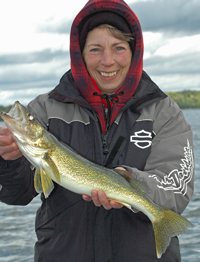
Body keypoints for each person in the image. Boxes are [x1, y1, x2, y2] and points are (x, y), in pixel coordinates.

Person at [0, 0, 194, 261]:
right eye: (95, 49)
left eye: (118, 48)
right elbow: (17, 194)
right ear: (80, 54)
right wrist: (8, 162)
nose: (107, 60)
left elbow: (177, 190)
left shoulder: (164, 112)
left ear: (134, 52)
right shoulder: (46, 109)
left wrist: (129, 181)